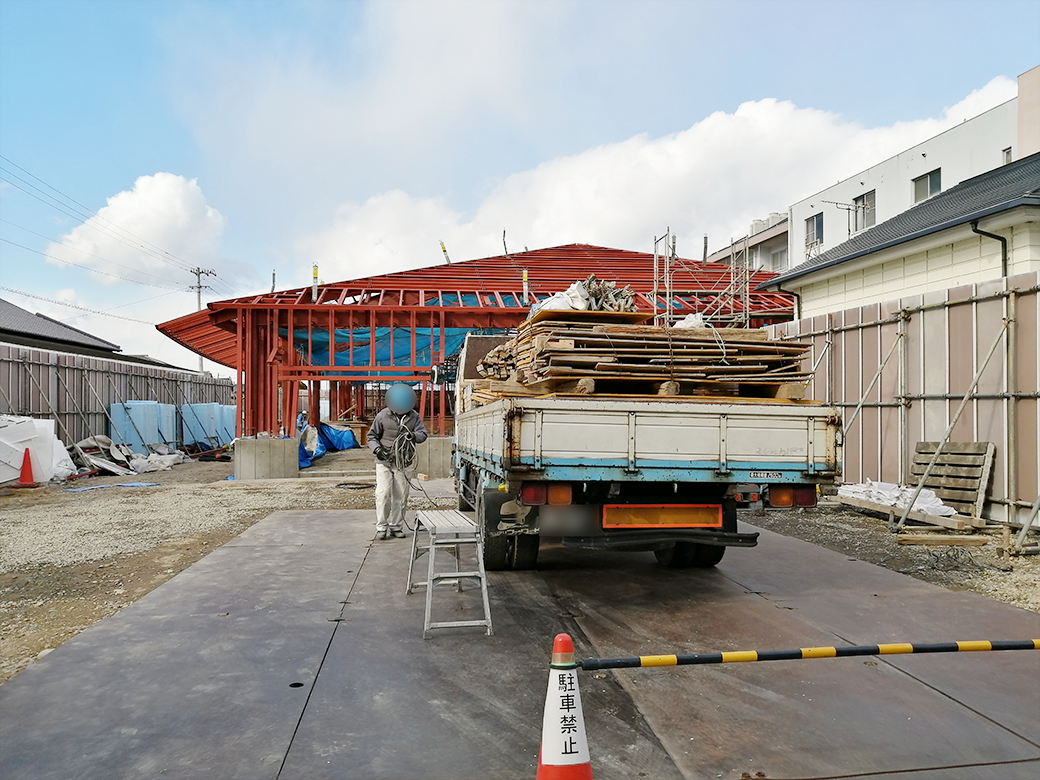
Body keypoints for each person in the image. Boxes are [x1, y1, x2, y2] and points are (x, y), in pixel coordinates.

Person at [367, 385, 428, 539]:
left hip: (403, 462)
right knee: (383, 494)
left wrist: (413, 436)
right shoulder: (382, 416)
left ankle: (396, 526)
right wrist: (378, 450)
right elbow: (371, 437)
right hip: (384, 462)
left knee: (401, 495)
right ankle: (382, 527)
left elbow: (423, 434)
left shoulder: (414, 417)